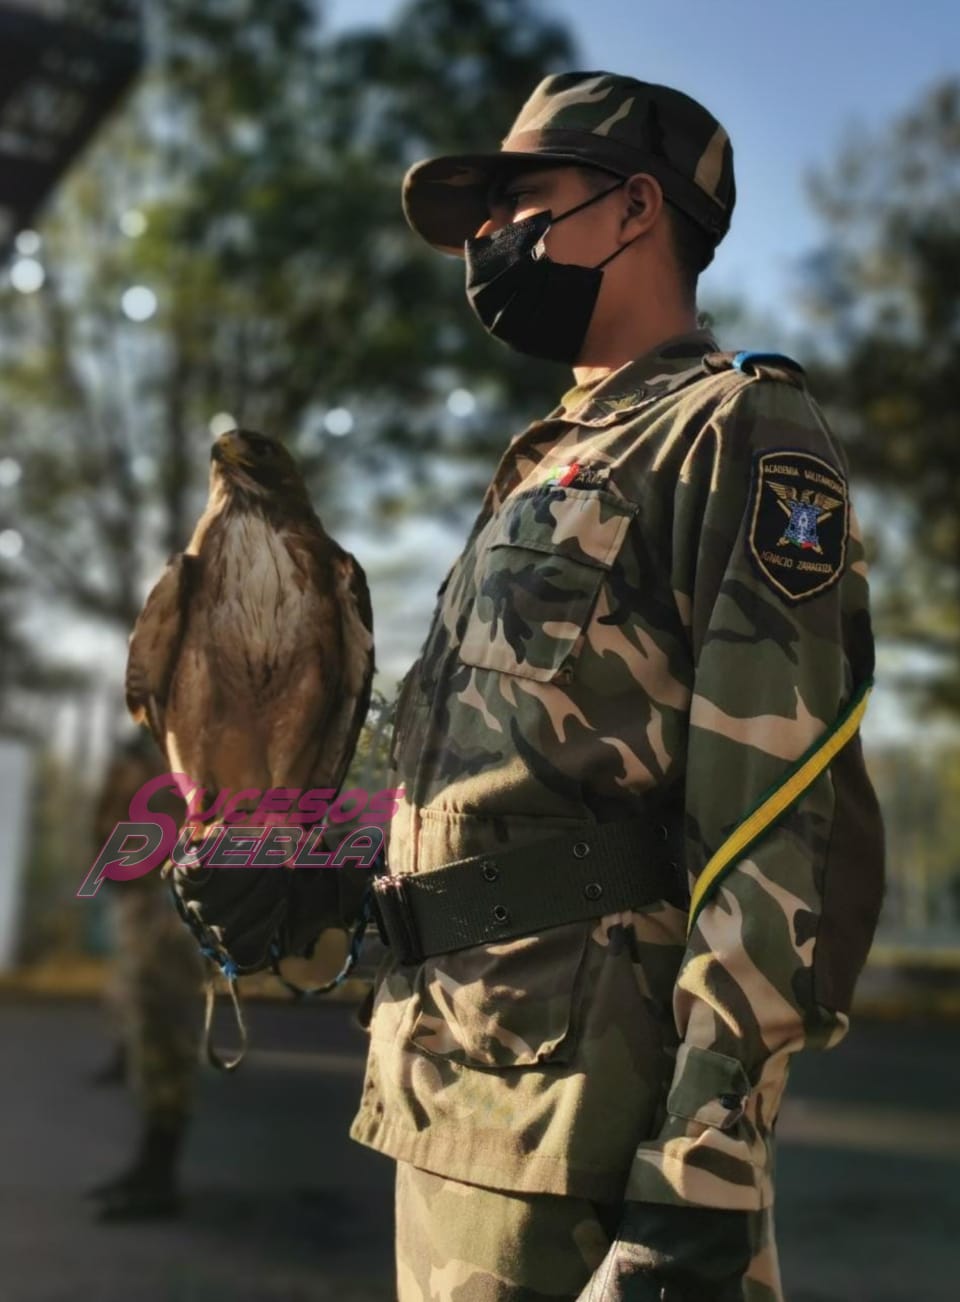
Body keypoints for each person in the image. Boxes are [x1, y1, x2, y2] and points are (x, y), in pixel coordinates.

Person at [172, 70, 885, 1300]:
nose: (492, 239)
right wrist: (330, 884)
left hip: (589, 1139)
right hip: (452, 1093)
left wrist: (702, 1184)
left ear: (636, 210)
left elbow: (780, 831)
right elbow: (523, 794)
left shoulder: (731, 432)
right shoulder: (546, 463)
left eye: (525, 200)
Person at [87, 731, 204, 1221]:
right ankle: (149, 1168)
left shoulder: (190, 745)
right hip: (139, 903)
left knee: (164, 1036)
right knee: (145, 1034)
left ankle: (159, 1178)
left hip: (164, 909)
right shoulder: (147, 740)